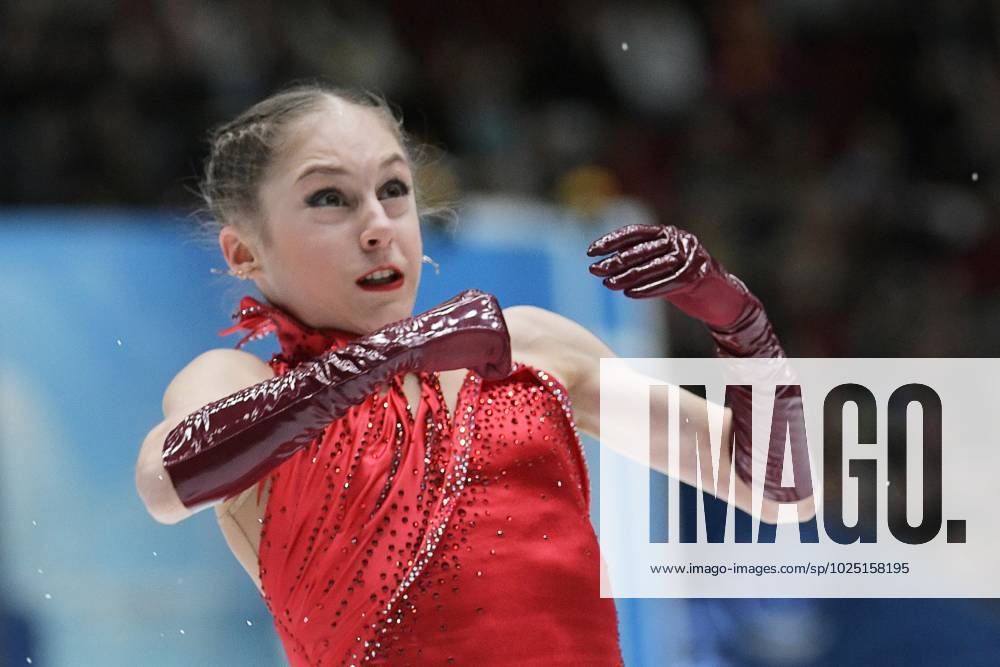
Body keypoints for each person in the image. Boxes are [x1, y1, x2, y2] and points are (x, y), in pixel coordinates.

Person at [134, 82, 811, 666]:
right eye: (329, 199)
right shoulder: (234, 380)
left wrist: (740, 324)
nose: (378, 225)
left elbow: (781, 489)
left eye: (394, 189)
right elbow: (170, 482)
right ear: (243, 250)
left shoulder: (533, 347)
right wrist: (399, 352)